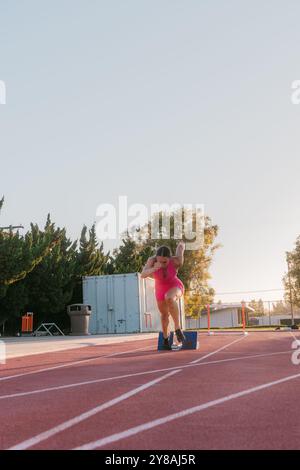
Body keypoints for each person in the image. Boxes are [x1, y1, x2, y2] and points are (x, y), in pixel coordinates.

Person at [141, 241, 185, 350]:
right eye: (159, 261)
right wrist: (154, 268)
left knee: (169, 297)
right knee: (164, 315)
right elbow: (143, 274)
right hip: (160, 288)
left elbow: (180, 250)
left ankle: (177, 328)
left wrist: (181, 245)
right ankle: (165, 339)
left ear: (169, 259)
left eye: (164, 262)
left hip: (175, 285)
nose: (162, 264)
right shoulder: (152, 261)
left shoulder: (176, 261)